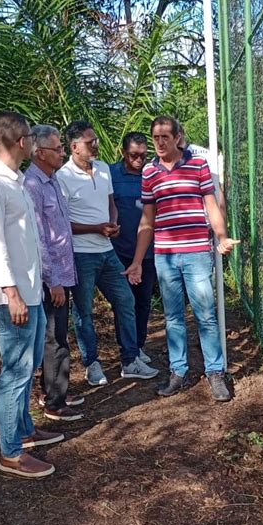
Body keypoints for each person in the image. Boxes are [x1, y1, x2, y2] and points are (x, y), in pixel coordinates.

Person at [0, 111, 64, 480]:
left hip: (30, 292)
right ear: (22, 142)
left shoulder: (15, 181)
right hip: (12, 296)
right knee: (15, 371)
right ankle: (10, 452)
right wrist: (11, 293)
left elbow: (25, 242)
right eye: (30, 137)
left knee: (28, 367)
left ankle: (24, 430)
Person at [123, 115, 240, 401]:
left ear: (177, 138)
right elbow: (147, 220)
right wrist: (138, 260)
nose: (160, 142)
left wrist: (221, 236)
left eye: (165, 136)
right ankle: (178, 372)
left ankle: (215, 373)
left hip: (197, 252)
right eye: (156, 137)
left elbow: (211, 206)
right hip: (165, 256)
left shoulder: (198, 165)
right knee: (173, 318)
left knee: (205, 316)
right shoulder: (150, 172)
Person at [57, 120, 159, 386]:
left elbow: (110, 202)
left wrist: (112, 222)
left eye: (96, 141)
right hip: (81, 254)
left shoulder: (102, 170)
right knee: (84, 312)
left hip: (106, 250)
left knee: (126, 300)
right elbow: (62, 225)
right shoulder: (62, 177)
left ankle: (130, 359)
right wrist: (95, 228)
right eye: (90, 142)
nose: (95, 146)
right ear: (74, 146)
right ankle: (92, 363)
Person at [24, 125, 85, 422]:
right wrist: (54, 281)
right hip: (52, 279)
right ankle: (53, 402)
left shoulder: (53, 181)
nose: (62, 153)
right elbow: (39, 239)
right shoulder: (32, 185)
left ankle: (56, 390)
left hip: (64, 272)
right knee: (53, 338)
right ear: (39, 153)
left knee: (59, 334)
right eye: (58, 149)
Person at [110, 132, 156, 363]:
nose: (139, 160)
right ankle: (126, 349)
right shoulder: (110, 175)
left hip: (147, 251)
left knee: (143, 301)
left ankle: (138, 346)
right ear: (123, 153)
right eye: (134, 155)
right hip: (119, 252)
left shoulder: (152, 173)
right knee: (123, 302)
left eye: (143, 155)